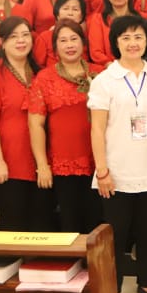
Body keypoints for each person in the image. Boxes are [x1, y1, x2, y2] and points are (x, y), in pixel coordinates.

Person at [88, 15, 147, 293]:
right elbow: (97, 129)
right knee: (116, 236)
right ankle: (113, 286)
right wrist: (102, 170)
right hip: (116, 171)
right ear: (116, 42)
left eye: (138, 37)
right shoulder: (104, 81)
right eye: (126, 38)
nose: (133, 43)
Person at [0, 16, 54, 231]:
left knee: (42, 225)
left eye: (25, 35)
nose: (21, 41)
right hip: (10, 164)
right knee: (13, 226)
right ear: (2, 42)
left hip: (41, 163)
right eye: (14, 37)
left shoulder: (39, 73)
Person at [28, 21, 104, 234]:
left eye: (74, 39)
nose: (69, 45)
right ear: (55, 47)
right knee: (70, 225)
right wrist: (42, 165)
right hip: (63, 163)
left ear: (83, 43)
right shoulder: (45, 78)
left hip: (99, 162)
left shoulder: (100, 75)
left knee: (98, 223)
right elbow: (35, 124)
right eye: (63, 40)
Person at [89, 0, 140, 65]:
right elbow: (96, 53)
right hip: (109, 69)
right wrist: (115, 67)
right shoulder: (98, 20)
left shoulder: (140, 19)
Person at [33, 0, 88, 67]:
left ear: (81, 16)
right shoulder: (44, 37)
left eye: (75, 9)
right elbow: (37, 66)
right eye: (65, 9)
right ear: (57, 14)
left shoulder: (85, 37)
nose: (70, 13)